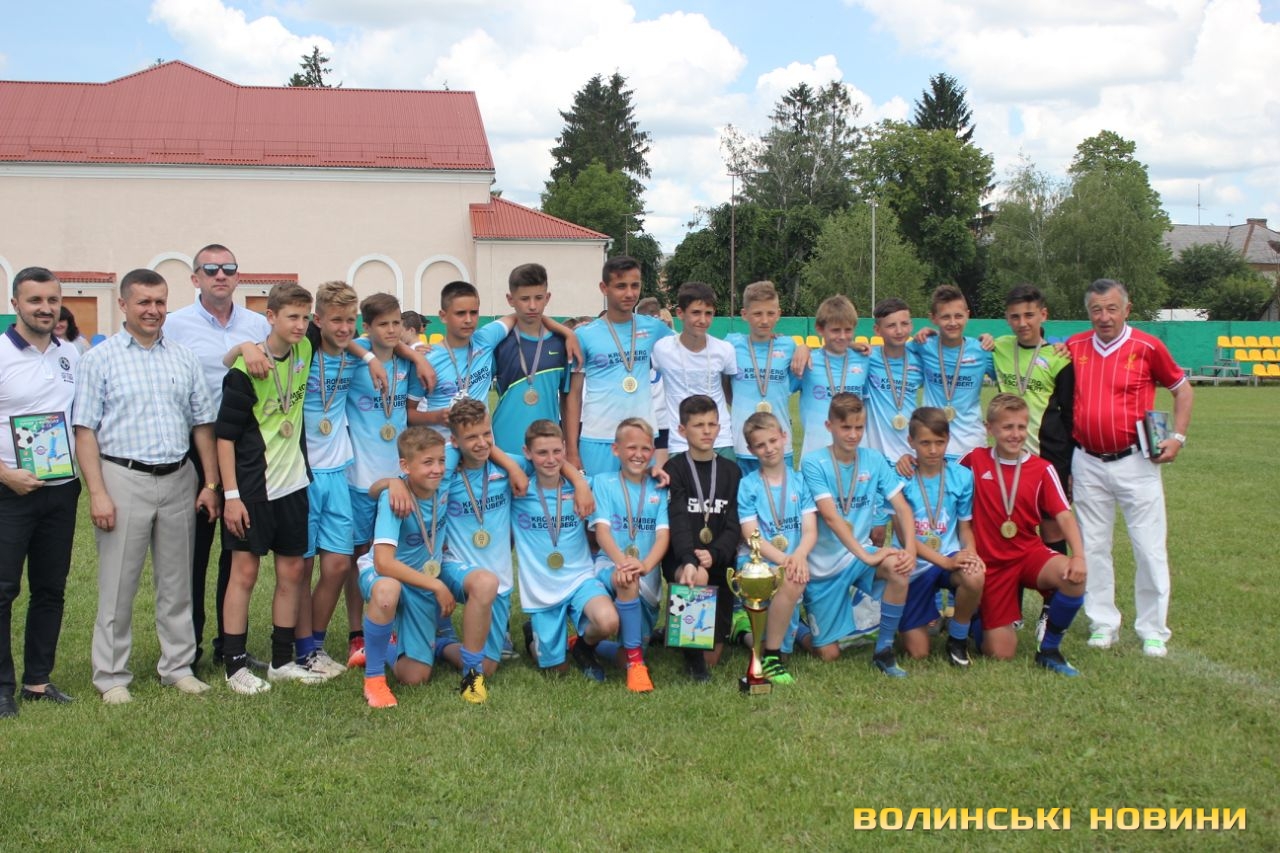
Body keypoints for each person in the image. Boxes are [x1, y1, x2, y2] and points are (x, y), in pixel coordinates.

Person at [74, 269, 220, 704]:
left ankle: (177, 666)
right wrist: (98, 493)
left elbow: (203, 425)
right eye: (143, 302)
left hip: (178, 477)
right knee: (118, 583)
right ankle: (111, 675)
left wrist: (210, 482)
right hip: (123, 477)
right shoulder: (100, 360)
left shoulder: (183, 357)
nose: (153, 310)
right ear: (123, 305)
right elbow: (85, 431)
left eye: (159, 302)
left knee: (177, 582)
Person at [1067, 279, 1192, 657]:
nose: (1104, 317)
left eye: (1111, 308)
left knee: (1149, 547)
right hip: (1087, 460)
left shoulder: (1147, 346)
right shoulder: (1074, 346)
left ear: (1127, 309)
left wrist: (1178, 437)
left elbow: (1181, 388)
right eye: (1096, 310)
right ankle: (1103, 623)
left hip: (1136, 460)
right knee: (1093, 546)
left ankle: (1153, 629)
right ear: (1088, 312)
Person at [165, 244, 270, 669]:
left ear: (237, 276)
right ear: (196, 278)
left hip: (245, 447)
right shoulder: (175, 325)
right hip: (194, 444)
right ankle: (186, 649)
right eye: (210, 269)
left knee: (237, 549)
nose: (220, 275)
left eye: (228, 268)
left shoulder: (258, 324)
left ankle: (230, 644)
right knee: (192, 554)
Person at [215, 283, 320, 694]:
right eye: (291, 316)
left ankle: (281, 661)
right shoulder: (246, 371)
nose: (300, 324)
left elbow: (344, 328)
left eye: (305, 317)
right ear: (270, 317)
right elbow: (225, 438)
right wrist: (231, 496)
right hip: (252, 489)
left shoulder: (305, 347)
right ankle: (235, 666)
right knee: (244, 574)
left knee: (292, 571)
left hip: (293, 485)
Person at [0, 268, 81, 716]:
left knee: (50, 589)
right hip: (9, 492)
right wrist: (5, 475)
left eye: (52, 300)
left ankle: (37, 680)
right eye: (35, 300)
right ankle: (1, 688)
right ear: (15, 304)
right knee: (3, 590)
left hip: (61, 490)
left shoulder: (70, 353)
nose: (45, 308)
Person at [960, 394, 1087, 675]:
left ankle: (1049, 650)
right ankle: (978, 616)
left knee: (1073, 577)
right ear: (989, 428)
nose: (1015, 434)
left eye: (1021, 427)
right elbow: (940, 479)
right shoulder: (973, 460)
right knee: (1000, 653)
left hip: (1027, 554)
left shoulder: (1042, 469)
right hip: (990, 564)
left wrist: (1078, 556)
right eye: (1007, 427)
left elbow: (1064, 515)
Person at [798, 393, 916, 677]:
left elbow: (902, 508)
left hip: (858, 557)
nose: (853, 435)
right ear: (829, 426)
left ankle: (884, 650)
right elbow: (830, 517)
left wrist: (910, 550)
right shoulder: (813, 462)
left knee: (898, 567)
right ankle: (800, 628)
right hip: (824, 569)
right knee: (827, 654)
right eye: (846, 427)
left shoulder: (874, 460)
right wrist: (867, 555)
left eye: (859, 427)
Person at [344, 293, 427, 667]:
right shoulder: (355, 353)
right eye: (383, 324)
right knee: (358, 557)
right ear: (367, 327)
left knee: (395, 553)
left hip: (398, 477)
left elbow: (411, 412)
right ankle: (356, 634)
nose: (392, 330)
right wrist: (369, 357)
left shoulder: (407, 361)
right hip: (360, 478)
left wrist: (414, 356)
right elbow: (338, 340)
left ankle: (391, 625)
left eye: (396, 323)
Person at [514, 420, 619, 680]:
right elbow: (488, 454)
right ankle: (533, 638)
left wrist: (579, 482)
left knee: (608, 621)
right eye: (541, 453)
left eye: (556, 451)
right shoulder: (518, 490)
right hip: (542, 589)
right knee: (555, 671)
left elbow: (621, 482)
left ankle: (583, 647)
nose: (551, 460)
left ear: (564, 447)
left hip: (579, 578)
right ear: (527, 452)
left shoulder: (585, 487)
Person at [357, 427, 453, 709]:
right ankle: (374, 680)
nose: (437, 469)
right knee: (388, 590)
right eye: (428, 462)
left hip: (419, 581)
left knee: (415, 677)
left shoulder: (445, 483)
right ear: (405, 466)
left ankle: (380, 646)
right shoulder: (395, 499)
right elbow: (383, 563)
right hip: (384, 574)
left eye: (441, 460)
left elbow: (475, 442)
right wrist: (436, 584)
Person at [431, 399, 513, 703]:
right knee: (484, 582)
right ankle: (471, 679)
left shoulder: (506, 468)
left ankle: (440, 645)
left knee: (490, 665)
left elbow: (549, 462)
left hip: (498, 577)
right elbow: (404, 481)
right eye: (471, 437)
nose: (481, 443)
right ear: (454, 442)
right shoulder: (445, 472)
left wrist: (578, 483)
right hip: (453, 566)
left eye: (486, 434)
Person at [565, 256, 672, 475]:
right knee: (599, 496)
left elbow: (686, 349)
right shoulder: (584, 335)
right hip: (598, 437)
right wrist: (572, 450)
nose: (630, 293)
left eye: (635, 286)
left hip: (642, 438)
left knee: (642, 497)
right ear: (604, 288)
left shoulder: (654, 328)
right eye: (621, 286)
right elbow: (573, 396)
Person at [894, 407, 984, 666]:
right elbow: (903, 536)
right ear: (911, 442)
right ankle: (911, 617)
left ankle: (958, 638)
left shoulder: (962, 477)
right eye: (925, 443)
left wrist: (970, 554)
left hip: (949, 556)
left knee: (974, 574)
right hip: (913, 565)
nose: (933, 450)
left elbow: (965, 528)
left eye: (939, 442)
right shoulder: (900, 477)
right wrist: (944, 562)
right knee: (918, 653)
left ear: (948, 440)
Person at [661, 395, 741, 682]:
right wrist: (689, 558)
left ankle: (676, 634)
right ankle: (694, 665)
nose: (706, 431)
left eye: (712, 424)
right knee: (696, 576)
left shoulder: (731, 471)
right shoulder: (674, 469)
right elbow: (678, 520)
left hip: (719, 561)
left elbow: (734, 523)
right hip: (683, 561)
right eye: (698, 425)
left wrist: (716, 553)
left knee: (713, 655)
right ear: (682, 430)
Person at [588, 418, 669, 693]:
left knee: (623, 654)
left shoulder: (659, 487)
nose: (638, 454)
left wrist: (644, 565)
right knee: (626, 579)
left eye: (645, 448)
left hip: (646, 573)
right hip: (610, 565)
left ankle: (594, 646)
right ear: (616, 450)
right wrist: (624, 564)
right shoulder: (603, 483)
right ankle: (637, 666)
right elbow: (602, 533)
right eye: (631, 447)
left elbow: (663, 536)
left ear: (653, 452)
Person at [736, 412, 816, 683]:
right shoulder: (748, 485)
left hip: (792, 560)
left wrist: (799, 555)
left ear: (784, 437)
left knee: (778, 637)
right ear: (751, 450)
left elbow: (810, 530)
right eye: (760, 445)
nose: (769, 449)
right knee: (792, 582)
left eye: (773, 441)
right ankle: (771, 659)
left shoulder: (800, 482)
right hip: (759, 564)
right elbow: (752, 536)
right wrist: (786, 560)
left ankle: (743, 634)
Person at [491, 263, 573, 459]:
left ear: (547, 297)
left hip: (548, 452)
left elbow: (568, 399)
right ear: (510, 299)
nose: (533, 306)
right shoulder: (499, 343)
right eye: (524, 299)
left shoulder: (562, 343)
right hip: (505, 448)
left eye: (538, 298)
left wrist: (571, 448)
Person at [650, 281, 737, 460]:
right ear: (680, 313)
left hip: (720, 440)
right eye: (696, 312)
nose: (703, 320)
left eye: (708, 313)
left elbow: (730, 391)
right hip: (680, 442)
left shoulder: (724, 350)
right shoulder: (662, 349)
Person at [726, 281, 802, 475]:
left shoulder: (789, 346)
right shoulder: (731, 345)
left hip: (779, 446)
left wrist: (805, 348)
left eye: (770, 313)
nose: (765, 320)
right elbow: (723, 384)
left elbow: (795, 382)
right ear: (744, 314)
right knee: (743, 494)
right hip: (742, 445)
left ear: (779, 314)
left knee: (780, 494)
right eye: (757, 314)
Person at [913, 285, 992, 459]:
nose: (953, 322)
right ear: (933, 318)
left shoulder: (981, 350)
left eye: (958, 316)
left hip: (972, 443)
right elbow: (890, 352)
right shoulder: (923, 345)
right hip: (933, 442)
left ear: (967, 315)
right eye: (945, 317)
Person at [798, 295, 868, 458]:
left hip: (854, 454)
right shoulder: (806, 362)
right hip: (815, 454)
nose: (842, 336)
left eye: (848, 330)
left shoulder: (865, 360)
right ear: (820, 329)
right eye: (836, 330)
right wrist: (802, 347)